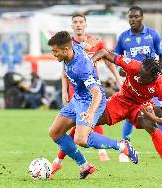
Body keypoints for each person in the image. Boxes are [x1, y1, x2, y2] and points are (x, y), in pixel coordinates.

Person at [47, 31, 138, 179]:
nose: (54, 55)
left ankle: (122, 146)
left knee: (81, 139)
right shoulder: (72, 49)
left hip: (91, 101)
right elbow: (81, 46)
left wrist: (90, 113)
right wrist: (88, 45)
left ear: (65, 50)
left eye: (55, 52)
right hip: (78, 98)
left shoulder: (82, 67)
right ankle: (85, 166)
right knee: (55, 132)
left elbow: (97, 93)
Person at [91, 49, 162, 181]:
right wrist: (90, 62)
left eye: (143, 77)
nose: (138, 77)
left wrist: (154, 118)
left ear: (153, 79)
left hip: (138, 106)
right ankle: (62, 161)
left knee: (151, 125)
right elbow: (104, 53)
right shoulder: (134, 65)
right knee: (87, 122)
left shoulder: (160, 85)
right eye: (139, 73)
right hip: (120, 101)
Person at [114, 6, 162, 163]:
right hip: (133, 84)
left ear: (142, 17)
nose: (132, 20)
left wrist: (160, 73)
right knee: (130, 116)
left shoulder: (153, 35)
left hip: (151, 83)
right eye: (130, 17)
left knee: (160, 112)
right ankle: (125, 150)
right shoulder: (123, 37)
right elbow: (116, 57)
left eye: (136, 16)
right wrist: (121, 70)